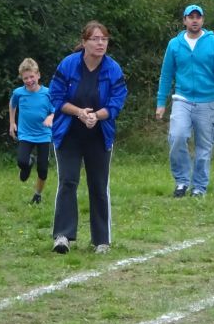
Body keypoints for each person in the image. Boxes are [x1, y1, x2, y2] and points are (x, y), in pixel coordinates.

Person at [48, 21, 128, 254]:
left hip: (99, 134)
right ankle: (63, 237)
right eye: (95, 39)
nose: (100, 43)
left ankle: (101, 240)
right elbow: (56, 97)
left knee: (99, 185)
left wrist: (96, 116)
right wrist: (79, 113)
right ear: (84, 42)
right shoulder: (68, 64)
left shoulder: (113, 69)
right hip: (68, 133)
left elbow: (117, 102)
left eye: (104, 39)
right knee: (68, 181)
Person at [156, 4, 214, 197]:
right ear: (184, 20)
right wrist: (161, 103)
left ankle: (199, 187)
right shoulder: (174, 44)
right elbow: (166, 74)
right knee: (178, 136)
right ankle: (182, 182)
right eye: (191, 17)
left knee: (204, 146)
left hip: (208, 100)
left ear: (202, 20)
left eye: (198, 17)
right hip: (182, 98)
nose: (194, 20)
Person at [8, 58, 54, 204]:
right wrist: (12, 123)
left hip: (44, 135)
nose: (29, 80)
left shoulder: (48, 93)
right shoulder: (18, 93)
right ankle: (29, 162)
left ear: (38, 75)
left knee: (43, 169)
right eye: (25, 78)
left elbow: (56, 110)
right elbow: (12, 104)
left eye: (31, 77)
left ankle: (37, 194)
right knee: (21, 161)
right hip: (26, 134)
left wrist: (50, 117)